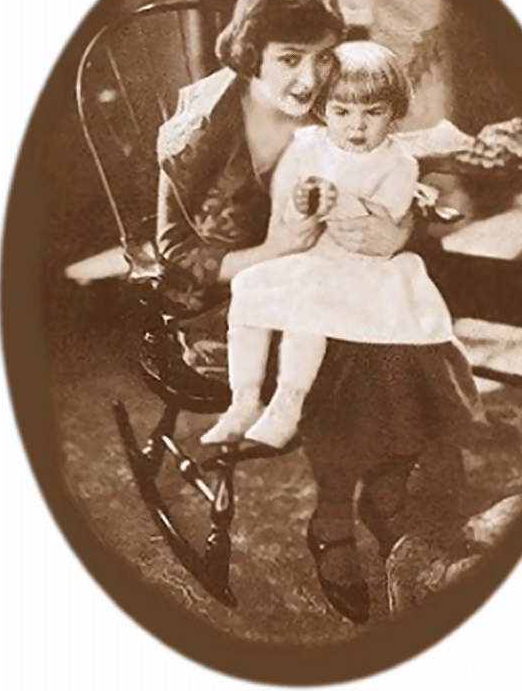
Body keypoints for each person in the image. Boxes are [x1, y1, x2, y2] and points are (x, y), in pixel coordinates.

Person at [155, 0, 522, 624]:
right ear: (251, 52)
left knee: (408, 305)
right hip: (231, 305)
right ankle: (336, 519)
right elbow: (173, 263)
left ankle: (391, 492)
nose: (310, 77)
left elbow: (370, 170)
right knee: (365, 346)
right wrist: (272, 250)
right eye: (289, 58)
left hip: (324, 272)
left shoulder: (324, 109)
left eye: (323, 56)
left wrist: (398, 226)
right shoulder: (202, 130)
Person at [200, 40, 475, 451]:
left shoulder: (398, 163)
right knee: (250, 285)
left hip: (364, 265)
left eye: (373, 113)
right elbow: (289, 218)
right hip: (314, 254)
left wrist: (341, 201)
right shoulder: (308, 147)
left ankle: (288, 403)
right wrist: (302, 205)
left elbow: (381, 227)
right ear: (323, 110)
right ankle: (244, 399)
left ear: (394, 113)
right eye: (342, 112)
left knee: (309, 307)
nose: (356, 127)